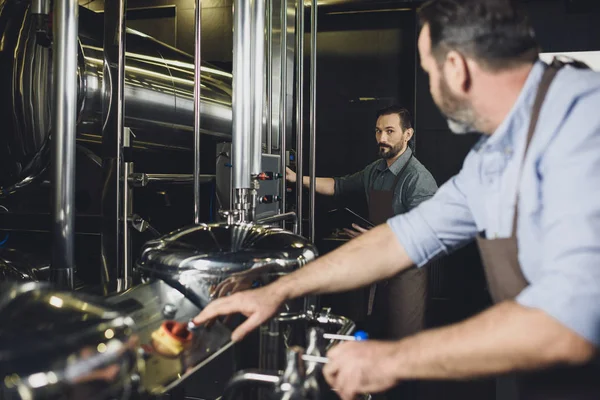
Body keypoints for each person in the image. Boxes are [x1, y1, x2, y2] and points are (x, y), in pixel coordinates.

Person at [194, 0, 600, 399]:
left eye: (428, 71)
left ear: (456, 68)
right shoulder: (497, 151)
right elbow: (405, 236)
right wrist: (279, 290)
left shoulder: (583, 123)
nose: (429, 82)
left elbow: (568, 326)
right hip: (529, 374)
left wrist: (388, 360)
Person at [287, 106, 437, 348]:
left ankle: (403, 386)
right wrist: (296, 178)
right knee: (374, 333)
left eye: (390, 131)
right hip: (376, 265)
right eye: (378, 131)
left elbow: (425, 236)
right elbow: (338, 185)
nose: (382, 139)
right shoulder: (375, 170)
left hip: (405, 271)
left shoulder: (418, 178)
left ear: (407, 134)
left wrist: (377, 237)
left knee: (403, 342)